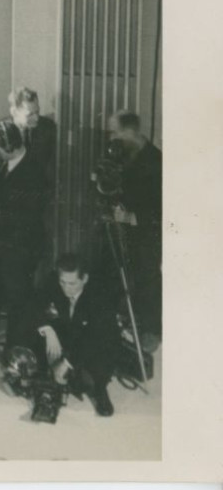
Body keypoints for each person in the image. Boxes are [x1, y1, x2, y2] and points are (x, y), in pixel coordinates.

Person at [0, 112, 53, 346]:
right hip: (1, 242)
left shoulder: (34, 173)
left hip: (22, 246)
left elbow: (30, 216)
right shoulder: (4, 163)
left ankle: (16, 349)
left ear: (10, 147)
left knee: (17, 300)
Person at [24, 255, 121, 417]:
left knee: (102, 356)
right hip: (69, 331)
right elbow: (33, 303)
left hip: (94, 340)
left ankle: (99, 389)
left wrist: (66, 363)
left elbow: (94, 338)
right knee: (32, 328)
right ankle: (43, 376)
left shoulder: (101, 296)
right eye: (63, 282)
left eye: (72, 284)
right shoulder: (55, 281)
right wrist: (47, 329)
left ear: (85, 279)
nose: (66, 288)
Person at [106, 111, 161, 345]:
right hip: (126, 233)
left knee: (148, 279)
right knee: (128, 278)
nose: (111, 138)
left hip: (147, 234)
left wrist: (131, 217)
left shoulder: (155, 161)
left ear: (129, 131)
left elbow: (165, 208)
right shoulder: (124, 154)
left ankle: (151, 333)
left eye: (114, 132)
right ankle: (129, 327)